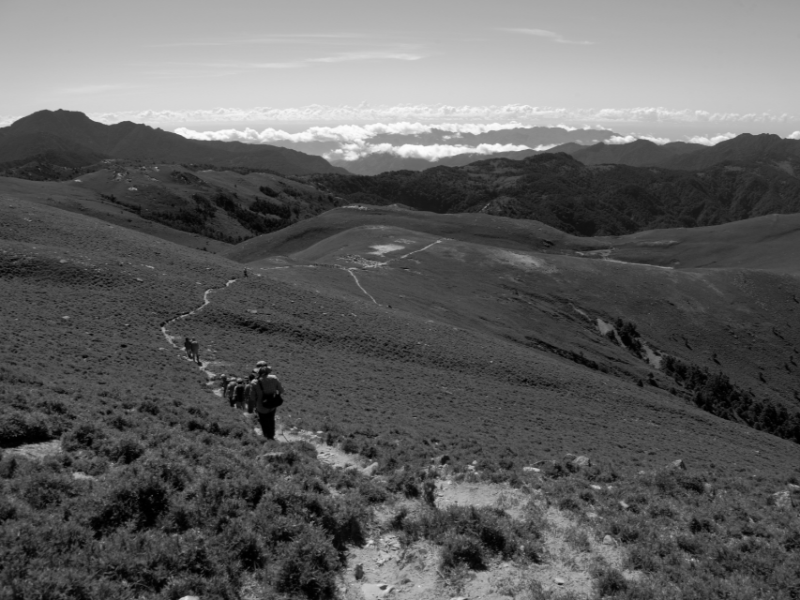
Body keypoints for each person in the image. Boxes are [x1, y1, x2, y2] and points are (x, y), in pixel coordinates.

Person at [253, 366, 284, 440]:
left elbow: (252, 397)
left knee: (264, 421)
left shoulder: (255, 382)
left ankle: (266, 436)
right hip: (272, 404)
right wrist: (275, 394)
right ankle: (272, 436)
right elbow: (281, 390)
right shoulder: (274, 378)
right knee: (271, 419)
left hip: (261, 406)